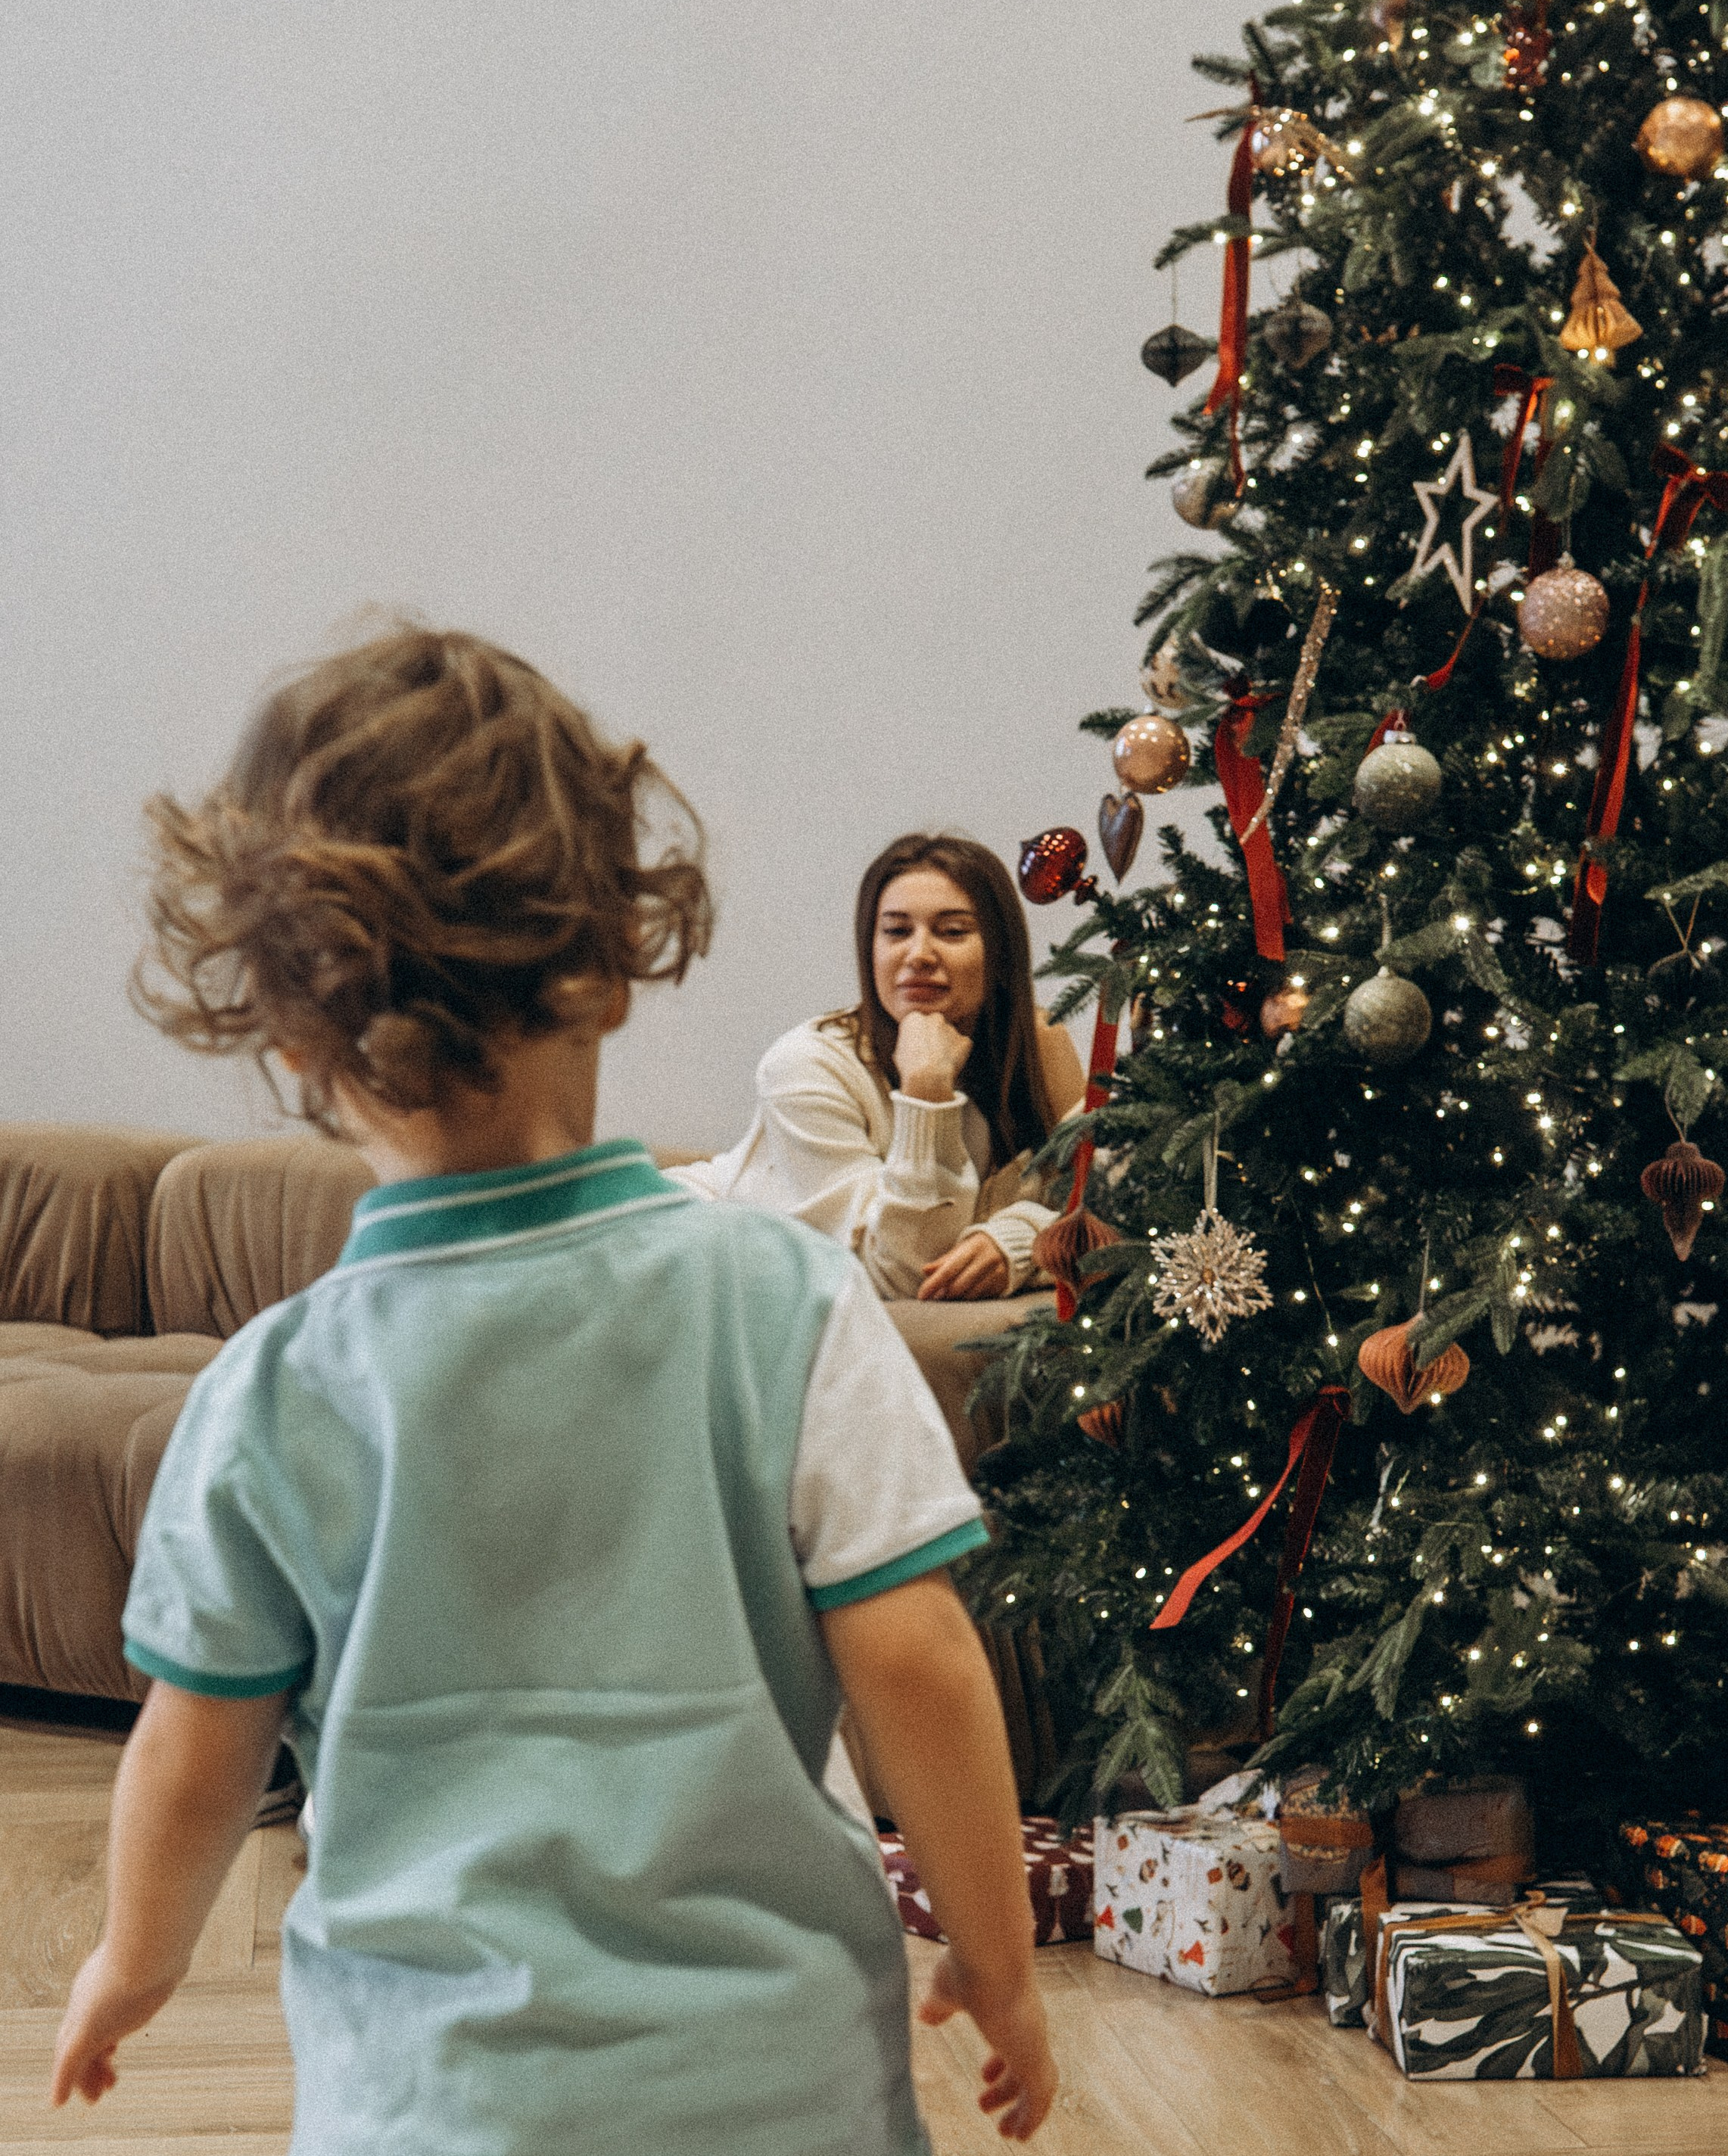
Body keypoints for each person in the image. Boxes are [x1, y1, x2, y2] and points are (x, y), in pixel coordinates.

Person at [49, 628, 1057, 2154]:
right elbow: (915, 1662)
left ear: (295, 1037)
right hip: (774, 2093)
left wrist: (132, 1960)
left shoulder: (271, 1391)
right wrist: (997, 1956)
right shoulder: (783, 1301)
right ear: (608, 969)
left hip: (429, 2105)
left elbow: (194, 1750)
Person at [674, 832, 1088, 1302]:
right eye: (896, 931)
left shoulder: (1034, 1047)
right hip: (696, 1269)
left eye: (952, 932)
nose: (919, 955)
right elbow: (906, 1275)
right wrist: (926, 1092)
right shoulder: (805, 1065)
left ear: (1000, 954)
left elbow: (1115, 1205)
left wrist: (1021, 1239)